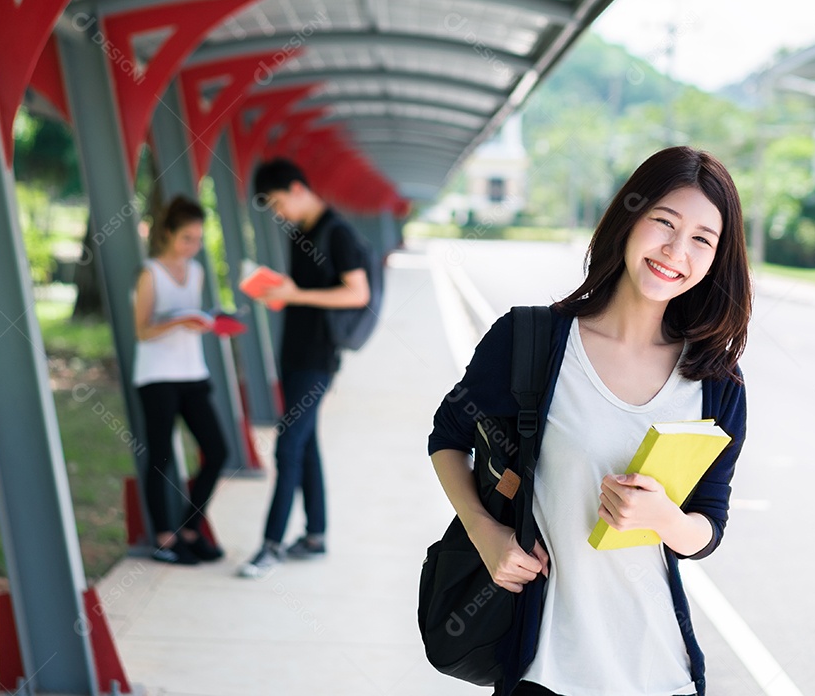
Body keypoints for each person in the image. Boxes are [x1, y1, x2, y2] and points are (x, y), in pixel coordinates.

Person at [427, 146, 751, 696]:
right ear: (629, 220)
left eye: (702, 238)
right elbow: (448, 438)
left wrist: (663, 517)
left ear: (718, 258)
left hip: (661, 672)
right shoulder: (532, 341)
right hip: (545, 668)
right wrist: (487, 534)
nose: (676, 250)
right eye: (664, 223)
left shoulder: (717, 382)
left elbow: (707, 528)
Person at [237, 158, 371, 578]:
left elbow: (357, 293)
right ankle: (315, 535)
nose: (278, 214)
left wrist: (298, 294)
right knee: (305, 443)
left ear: (297, 188)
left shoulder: (339, 232)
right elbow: (305, 291)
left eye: (278, 203)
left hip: (318, 358)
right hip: (294, 353)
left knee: (288, 445)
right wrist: (281, 292)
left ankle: (270, 545)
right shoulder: (300, 232)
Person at [133, 195, 231, 565]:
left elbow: (193, 320)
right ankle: (163, 538)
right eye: (188, 238)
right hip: (157, 377)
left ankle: (190, 530)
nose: (195, 245)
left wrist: (208, 323)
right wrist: (179, 319)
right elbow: (142, 330)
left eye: (199, 239)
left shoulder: (197, 272)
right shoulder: (150, 273)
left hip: (193, 372)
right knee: (159, 458)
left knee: (217, 451)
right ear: (169, 234)